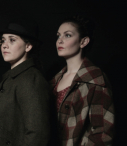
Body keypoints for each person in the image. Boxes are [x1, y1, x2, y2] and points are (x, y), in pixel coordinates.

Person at [51, 15, 114, 145]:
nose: (60, 40)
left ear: (83, 42)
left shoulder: (95, 79)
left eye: (67, 35)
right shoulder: (54, 80)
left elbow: (103, 134)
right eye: (58, 35)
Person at [0, 22, 51, 146]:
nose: (4, 45)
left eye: (12, 40)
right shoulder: (11, 77)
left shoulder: (31, 79)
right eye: (3, 40)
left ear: (28, 46)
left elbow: (37, 134)